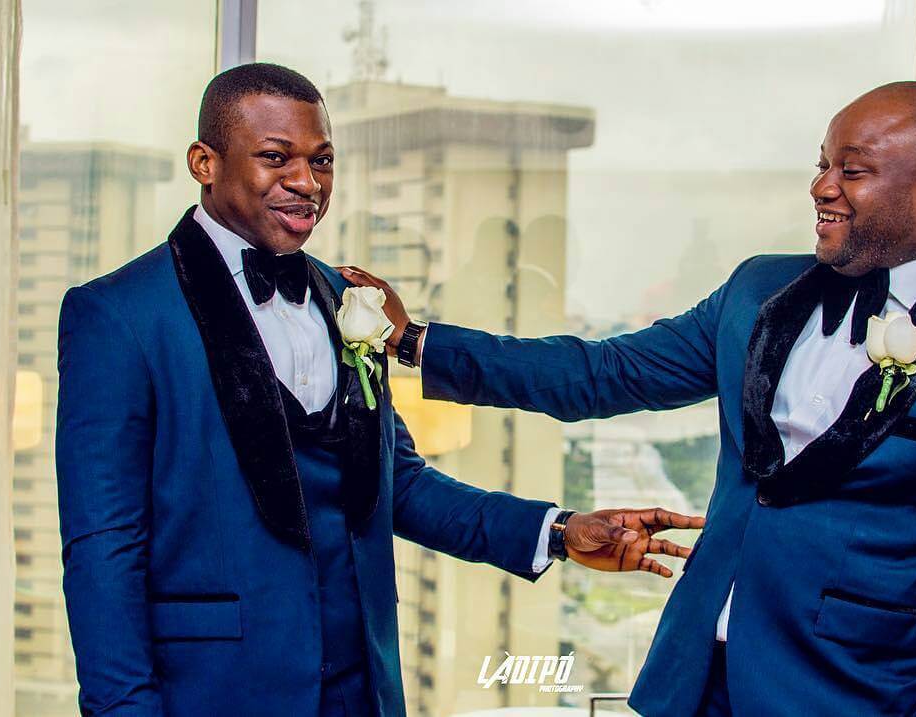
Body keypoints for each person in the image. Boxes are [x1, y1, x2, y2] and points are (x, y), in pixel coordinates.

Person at [342, 81, 916, 716]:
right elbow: (602, 372)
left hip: (852, 696)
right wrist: (415, 342)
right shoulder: (756, 290)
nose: (822, 187)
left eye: (852, 171)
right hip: (687, 686)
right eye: (822, 164)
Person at [54, 62, 702, 717]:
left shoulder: (345, 298)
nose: (307, 184)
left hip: (365, 690)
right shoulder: (118, 316)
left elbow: (403, 485)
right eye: (276, 158)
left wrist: (559, 530)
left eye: (323, 160)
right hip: (213, 692)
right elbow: (102, 550)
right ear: (204, 162)